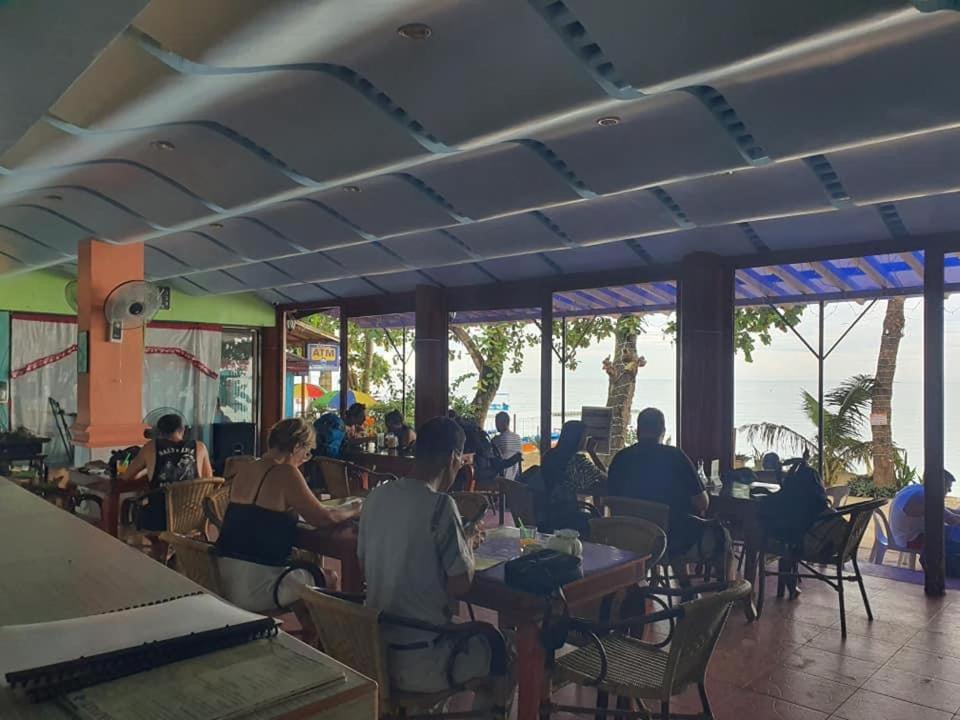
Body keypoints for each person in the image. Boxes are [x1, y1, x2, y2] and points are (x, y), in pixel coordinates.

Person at [359, 417, 514, 716]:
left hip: (375, 652)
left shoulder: (377, 497)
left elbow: (364, 561)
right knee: (507, 647)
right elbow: (460, 584)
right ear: (454, 457)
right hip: (422, 661)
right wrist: (466, 545)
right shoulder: (440, 505)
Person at [216, 418, 360, 612]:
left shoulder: (247, 468)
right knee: (329, 578)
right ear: (297, 446)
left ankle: (309, 629)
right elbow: (324, 518)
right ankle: (330, 632)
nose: (304, 459)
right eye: (307, 453)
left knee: (303, 570)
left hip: (223, 576)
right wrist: (356, 508)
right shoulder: (286, 472)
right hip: (257, 586)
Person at [607, 408, 732, 579]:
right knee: (723, 537)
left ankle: (681, 583)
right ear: (663, 432)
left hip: (628, 540)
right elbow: (702, 503)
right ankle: (725, 590)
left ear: (638, 431)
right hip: (671, 542)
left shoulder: (620, 459)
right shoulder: (675, 457)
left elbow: (612, 501)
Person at [122, 413, 213, 531]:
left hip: (160, 519)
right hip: (192, 516)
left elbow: (127, 476)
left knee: (133, 509)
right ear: (183, 430)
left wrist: (147, 471)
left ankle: (153, 542)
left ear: (159, 431)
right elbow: (209, 481)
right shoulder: (200, 447)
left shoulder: (150, 447)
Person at [540, 420, 606, 537]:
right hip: (567, 515)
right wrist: (592, 452)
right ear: (578, 439)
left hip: (547, 512)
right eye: (585, 436)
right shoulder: (577, 460)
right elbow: (605, 478)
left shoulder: (549, 455)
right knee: (599, 522)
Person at [890, 471, 960, 572]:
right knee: (955, 534)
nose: (949, 490)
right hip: (910, 540)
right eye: (948, 487)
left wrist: (956, 513)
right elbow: (952, 520)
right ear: (939, 484)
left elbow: (945, 511)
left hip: (902, 535)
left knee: (952, 532)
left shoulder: (917, 489)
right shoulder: (926, 497)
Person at [491, 412, 523, 481]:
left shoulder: (497, 440)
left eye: (497, 422)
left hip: (502, 478)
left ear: (504, 423)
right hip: (516, 477)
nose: (496, 425)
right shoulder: (518, 438)